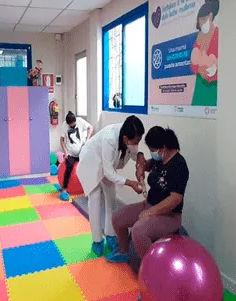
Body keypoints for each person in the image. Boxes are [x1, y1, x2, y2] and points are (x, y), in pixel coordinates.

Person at [106, 126, 189, 264]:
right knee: (117, 217)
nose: (153, 154)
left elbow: (175, 199)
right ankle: (123, 251)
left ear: (163, 148)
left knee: (138, 231)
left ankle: (153, 267)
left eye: (153, 150)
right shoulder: (159, 159)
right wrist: (140, 167)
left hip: (169, 216)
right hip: (148, 204)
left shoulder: (179, 165)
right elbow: (146, 165)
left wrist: (151, 212)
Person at [76, 115, 146, 256]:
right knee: (95, 199)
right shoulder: (110, 138)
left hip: (106, 165)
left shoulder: (129, 134)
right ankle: (97, 241)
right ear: (126, 139)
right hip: (90, 162)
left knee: (111, 198)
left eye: (139, 141)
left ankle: (110, 235)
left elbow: (133, 153)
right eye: (135, 141)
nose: (136, 144)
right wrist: (131, 183)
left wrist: (140, 158)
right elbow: (108, 172)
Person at [190, 0, 220, 106]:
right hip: (200, 84)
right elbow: (193, 62)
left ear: (211, 16)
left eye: (203, 19)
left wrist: (214, 66)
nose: (201, 23)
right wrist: (201, 65)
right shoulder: (200, 36)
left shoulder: (217, 34)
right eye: (200, 20)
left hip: (212, 85)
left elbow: (217, 61)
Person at [59, 111, 94, 201]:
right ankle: (64, 189)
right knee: (69, 166)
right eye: (71, 125)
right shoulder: (64, 126)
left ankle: (88, 188)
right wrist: (65, 152)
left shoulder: (80, 121)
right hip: (70, 153)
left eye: (73, 125)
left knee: (87, 166)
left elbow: (90, 128)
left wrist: (87, 139)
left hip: (81, 151)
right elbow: (62, 140)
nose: (72, 126)